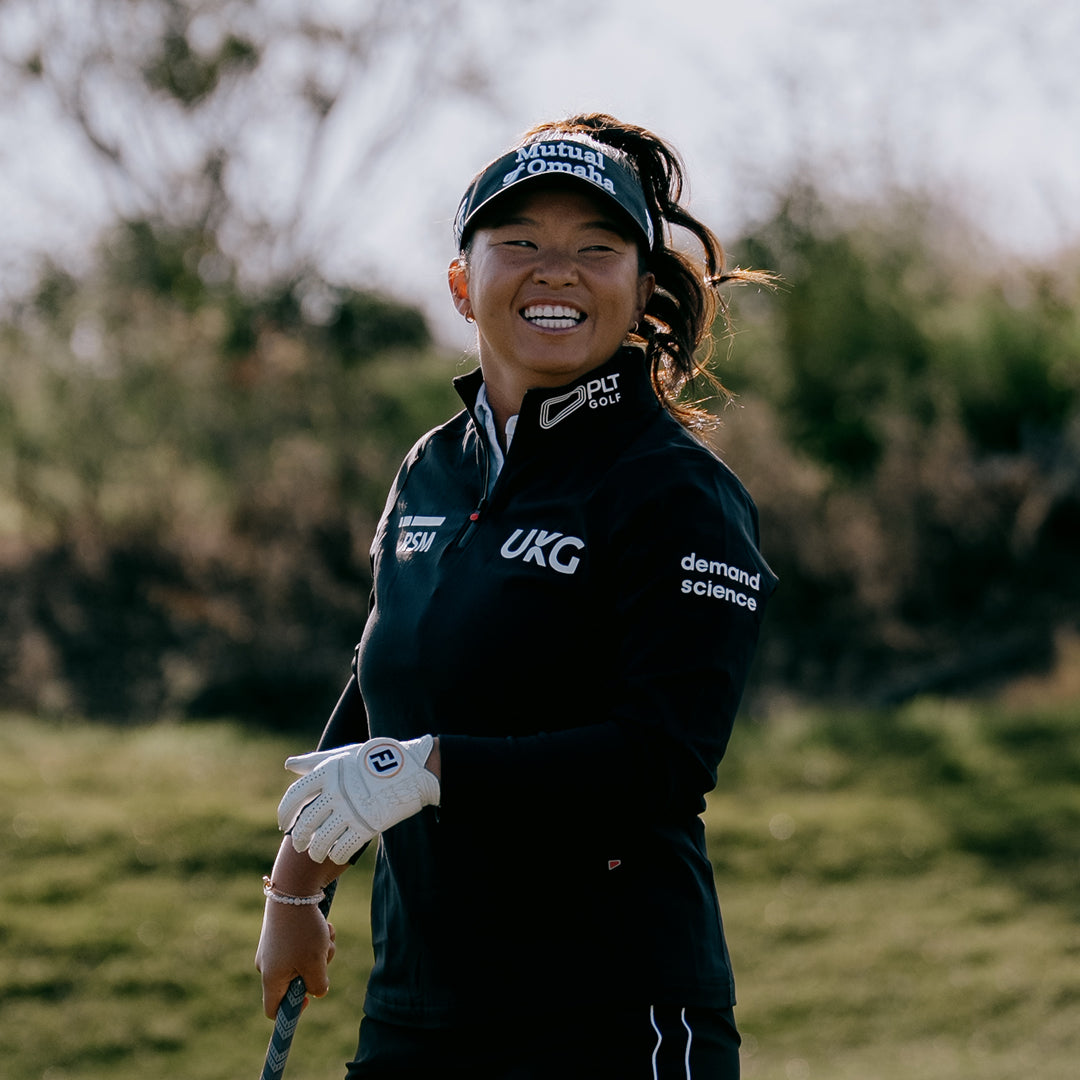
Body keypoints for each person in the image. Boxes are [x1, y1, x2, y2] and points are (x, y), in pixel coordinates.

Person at [256, 112, 777, 1079]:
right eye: (521, 243)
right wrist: (296, 891)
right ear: (463, 283)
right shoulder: (430, 469)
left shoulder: (677, 491)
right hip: (419, 1008)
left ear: (638, 288)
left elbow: (664, 757)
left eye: (597, 247)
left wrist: (438, 768)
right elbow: (385, 689)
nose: (558, 270)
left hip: (611, 1013)